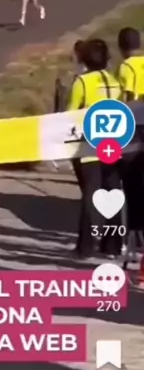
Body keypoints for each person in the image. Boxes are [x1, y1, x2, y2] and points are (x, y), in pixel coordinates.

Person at [66, 39, 122, 258]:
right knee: (113, 193)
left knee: (91, 195)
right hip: (115, 145)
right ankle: (113, 246)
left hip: (90, 145)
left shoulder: (82, 82)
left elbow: (70, 114)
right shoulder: (115, 80)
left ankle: (85, 247)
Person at [116, 27, 144, 101]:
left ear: (120, 47)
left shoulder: (126, 66)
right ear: (139, 45)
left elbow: (129, 94)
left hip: (137, 106)